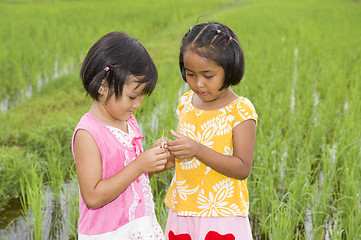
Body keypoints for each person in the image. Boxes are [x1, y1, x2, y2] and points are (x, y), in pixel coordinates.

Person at [72, 31, 171, 239]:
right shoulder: (88, 134)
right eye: (133, 96)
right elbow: (93, 195)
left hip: (139, 227)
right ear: (102, 86)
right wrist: (139, 165)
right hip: (110, 233)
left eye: (142, 96)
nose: (138, 104)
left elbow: (130, 180)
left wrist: (153, 163)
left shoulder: (129, 122)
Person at [164, 22, 258, 240]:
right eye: (190, 74)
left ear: (230, 68)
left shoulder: (240, 111)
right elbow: (185, 153)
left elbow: (242, 167)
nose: (198, 84)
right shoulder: (186, 101)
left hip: (221, 213)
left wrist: (197, 149)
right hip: (183, 207)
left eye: (208, 76)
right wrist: (168, 153)